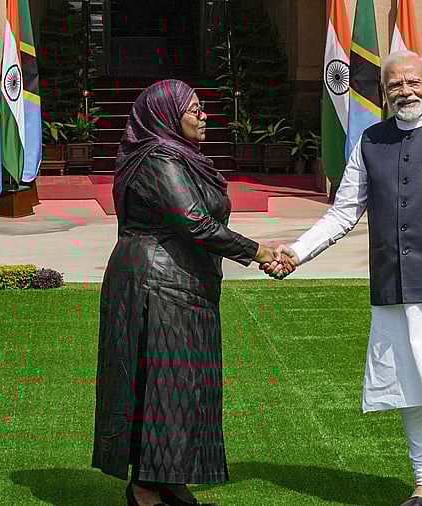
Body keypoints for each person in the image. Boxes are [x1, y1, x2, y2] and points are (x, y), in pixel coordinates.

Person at [262, 51, 422, 506]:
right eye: (395, 85)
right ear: (384, 92)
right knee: (409, 387)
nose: (406, 92)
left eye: (413, 82)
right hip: (395, 287)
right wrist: (296, 253)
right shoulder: (369, 142)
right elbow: (343, 214)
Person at [92, 79, 295, 506]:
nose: (204, 115)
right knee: (161, 384)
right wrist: (259, 252)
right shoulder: (159, 158)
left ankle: (170, 478)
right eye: (195, 109)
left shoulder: (182, 157)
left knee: (184, 385)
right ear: (167, 116)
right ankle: (146, 489)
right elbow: (195, 221)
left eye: (203, 107)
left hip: (184, 283)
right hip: (156, 285)